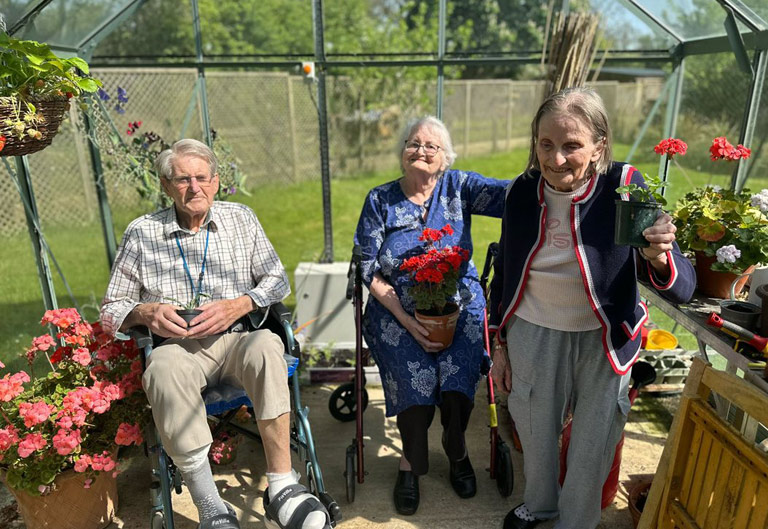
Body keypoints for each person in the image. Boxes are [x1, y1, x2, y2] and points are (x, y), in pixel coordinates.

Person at [488, 87, 695, 529]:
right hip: (532, 329)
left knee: (593, 440)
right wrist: (499, 342)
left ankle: (575, 521)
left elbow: (684, 288)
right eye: (545, 144)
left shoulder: (624, 186)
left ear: (599, 145)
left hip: (604, 338)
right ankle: (540, 506)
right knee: (534, 428)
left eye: (571, 145)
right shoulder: (522, 193)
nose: (556, 159)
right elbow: (505, 269)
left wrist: (659, 256)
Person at [101, 139, 330, 529]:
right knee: (162, 368)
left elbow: (276, 279)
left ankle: (282, 488)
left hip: (239, 337)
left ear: (216, 181)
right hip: (179, 348)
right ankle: (211, 508)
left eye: (202, 177)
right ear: (165, 185)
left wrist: (240, 304)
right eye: (183, 179)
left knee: (267, 345)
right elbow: (110, 309)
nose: (195, 187)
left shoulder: (241, 219)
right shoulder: (143, 233)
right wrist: (146, 312)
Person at [354, 116, 510, 515]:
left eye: (431, 146)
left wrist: (553, 170)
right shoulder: (380, 200)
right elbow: (365, 268)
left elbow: (514, 196)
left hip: (457, 298)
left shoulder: (460, 187)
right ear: (402, 151)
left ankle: (456, 449)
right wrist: (408, 320)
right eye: (413, 143)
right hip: (396, 308)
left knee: (458, 378)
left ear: (445, 158)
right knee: (415, 380)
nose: (421, 151)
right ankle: (411, 461)